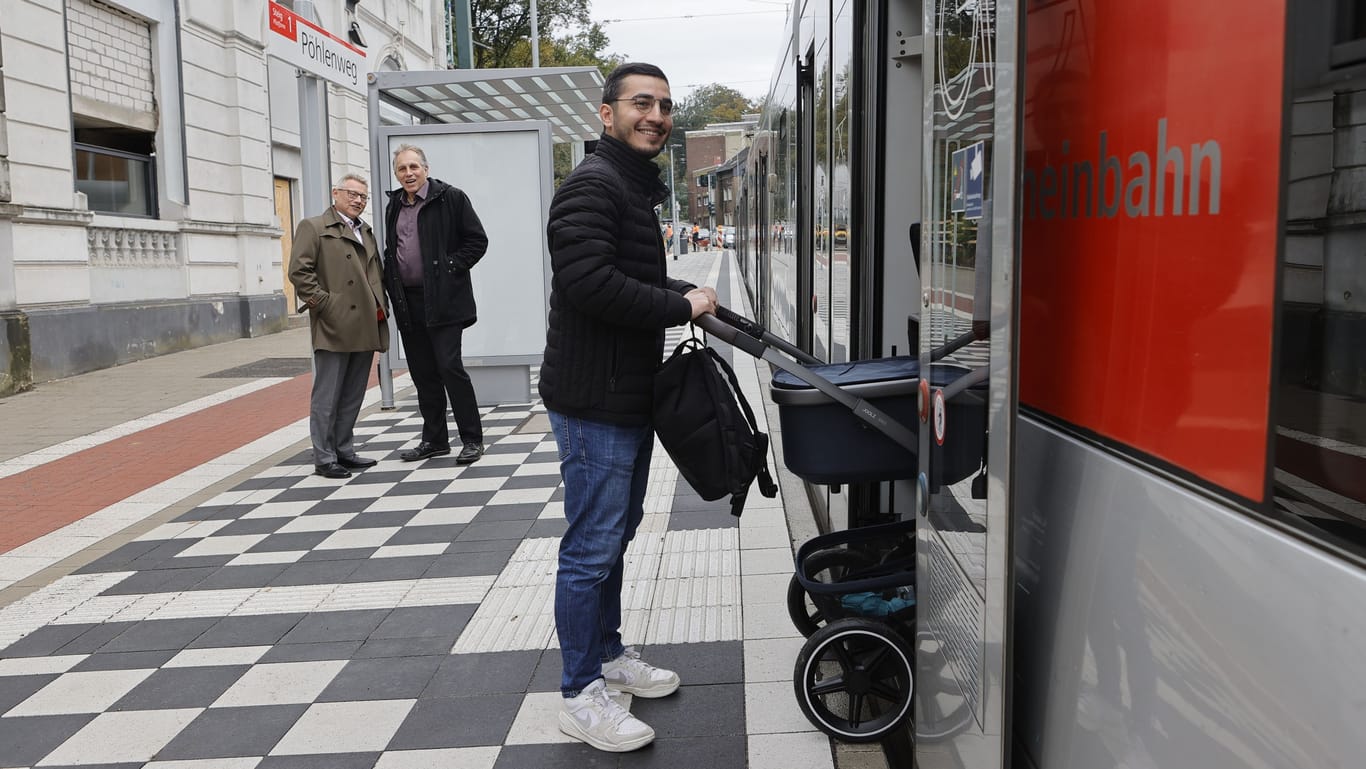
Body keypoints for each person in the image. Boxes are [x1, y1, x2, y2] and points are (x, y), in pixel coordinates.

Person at [541, 62, 718, 753]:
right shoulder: (593, 185)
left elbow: (627, 273)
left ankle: (609, 654)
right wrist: (680, 304)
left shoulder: (626, 187)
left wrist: (679, 290)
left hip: (622, 393)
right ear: (605, 113)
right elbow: (589, 283)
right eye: (641, 103)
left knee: (612, 536)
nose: (656, 115)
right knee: (590, 548)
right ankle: (580, 692)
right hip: (594, 400)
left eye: (665, 106)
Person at [382, 144, 489, 465]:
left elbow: (477, 241)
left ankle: (472, 439)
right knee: (423, 374)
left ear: (425, 169)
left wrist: (450, 266)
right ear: (396, 173)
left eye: (414, 167)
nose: (408, 173)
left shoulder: (450, 198)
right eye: (402, 169)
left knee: (449, 367)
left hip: (443, 300)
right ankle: (435, 440)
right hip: (408, 303)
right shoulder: (394, 206)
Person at [288, 173, 390, 479]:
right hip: (334, 323)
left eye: (362, 196)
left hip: (365, 322)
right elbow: (299, 272)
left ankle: (345, 449)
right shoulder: (314, 227)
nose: (358, 200)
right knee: (327, 394)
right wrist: (326, 304)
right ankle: (324, 456)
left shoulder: (366, 231)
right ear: (336, 193)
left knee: (353, 393)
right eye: (352, 194)